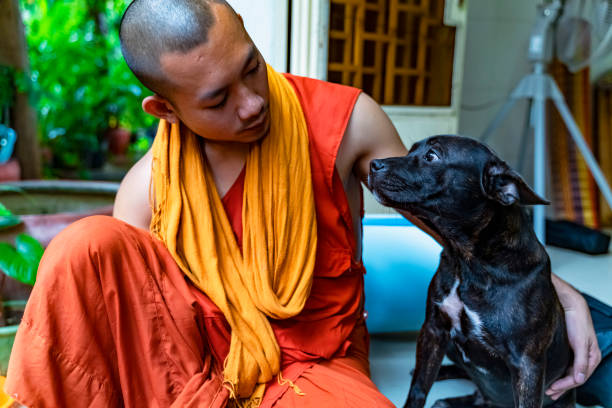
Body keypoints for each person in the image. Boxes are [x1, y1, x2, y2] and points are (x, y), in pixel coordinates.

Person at [5, 0, 604, 407]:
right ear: (167, 110)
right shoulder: (147, 184)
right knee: (89, 244)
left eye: (253, 68)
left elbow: (445, 214)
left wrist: (556, 290)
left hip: (309, 368)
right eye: (217, 100)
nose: (251, 104)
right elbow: (135, 322)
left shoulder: (347, 121)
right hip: (197, 366)